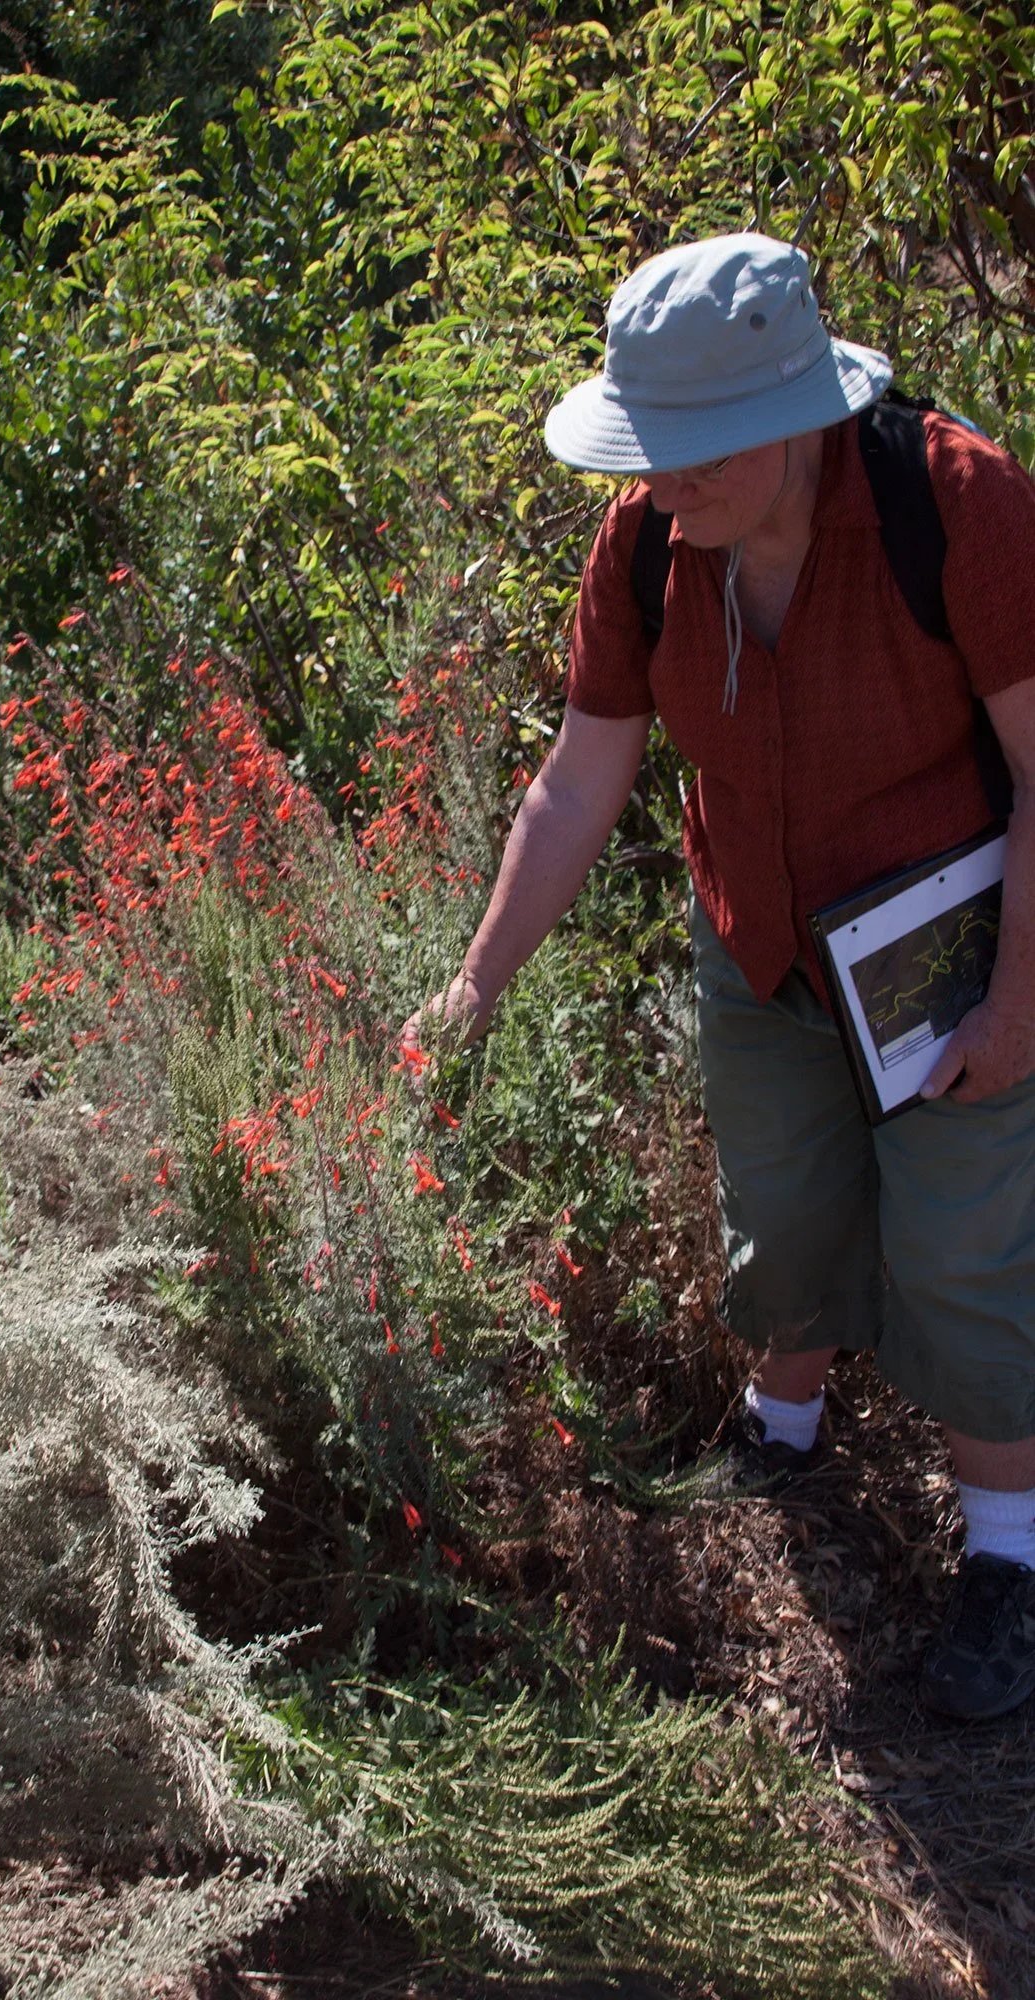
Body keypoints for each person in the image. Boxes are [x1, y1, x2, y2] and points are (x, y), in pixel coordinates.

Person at [404, 232, 1035, 1721]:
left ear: (789, 416)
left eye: (686, 453)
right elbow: (579, 778)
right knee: (782, 1199)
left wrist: (1017, 1004)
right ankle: (780, 1435)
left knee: (962, 1242)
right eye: (647, 449)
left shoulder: (956, 506)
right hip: (757, 935)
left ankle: (1007, 1560)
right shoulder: (643, 543)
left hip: (950, 944)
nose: (655, 482)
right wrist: (472, 989)